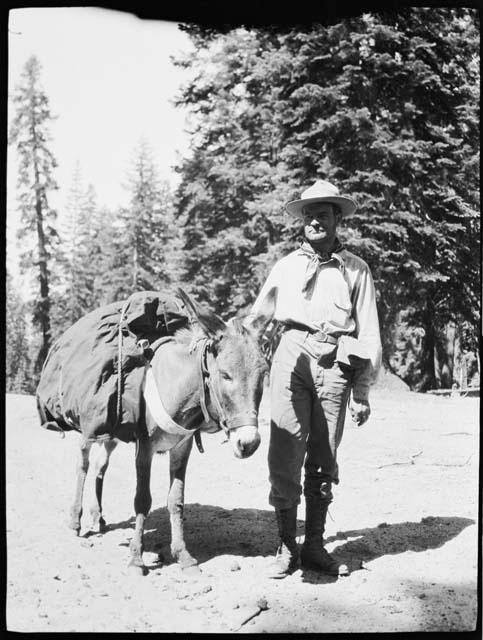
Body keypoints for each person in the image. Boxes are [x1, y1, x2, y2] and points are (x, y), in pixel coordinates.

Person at [247, 179, 382, 578]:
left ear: (338, 218)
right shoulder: (286, 267)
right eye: (309, 215)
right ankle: (287, 547)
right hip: (290, 355)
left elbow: (368, 333)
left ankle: (315, 546)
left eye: (323, 213)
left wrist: (362, 391)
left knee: (324, 456)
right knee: (285, 449)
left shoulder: (356, 270)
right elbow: (256, 323)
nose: (315, 221)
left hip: (337, 362)